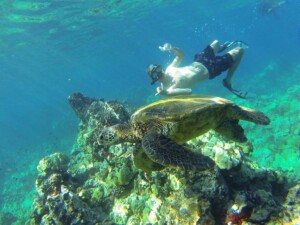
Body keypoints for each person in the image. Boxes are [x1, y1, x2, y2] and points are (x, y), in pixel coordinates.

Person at [147, 40, 248, 98]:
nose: (159, 73)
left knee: (216, 42)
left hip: (200, 60)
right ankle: (228, 81)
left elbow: (181, 56)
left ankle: (220, 48)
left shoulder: (169, 69)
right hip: (210, 69)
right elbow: (188, 91)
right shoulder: (168, 88)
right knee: (240, 50)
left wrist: (172, 48)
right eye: (155, 74)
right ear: (154, 79)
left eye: (158, 69)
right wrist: (166, 93)